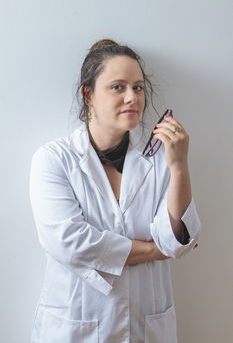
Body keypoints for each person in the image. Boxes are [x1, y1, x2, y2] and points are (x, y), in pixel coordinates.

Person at [29, 38, 201, 343]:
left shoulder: (159, 160)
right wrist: (152, 250)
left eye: (137, 87)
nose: (132, 97)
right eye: (117, 87)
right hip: (74, 328)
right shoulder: (54, 160)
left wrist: (178, 166)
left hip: (145, 328)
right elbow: (72, 243)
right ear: (88, 95)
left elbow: (178, 241)